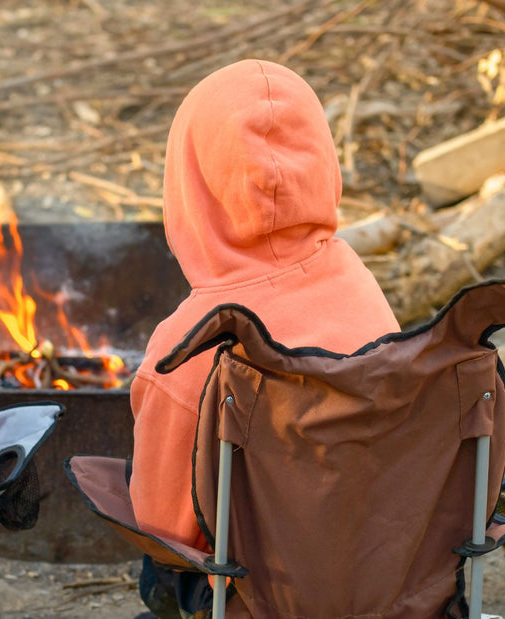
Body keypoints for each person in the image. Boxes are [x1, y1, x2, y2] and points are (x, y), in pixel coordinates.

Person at [128, 60, 401, 617]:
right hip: (386, 571)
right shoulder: (358, 284)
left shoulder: (188, 346)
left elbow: (162, 524)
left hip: (258, 595)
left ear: (191, 183)